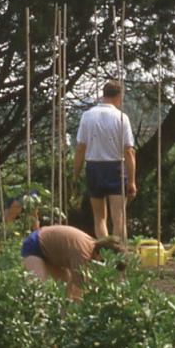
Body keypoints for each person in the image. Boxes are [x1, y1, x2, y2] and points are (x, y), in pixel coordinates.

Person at [74, 80, 137, 240]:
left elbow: (80, 148)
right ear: (119, 96)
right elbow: (128, 151)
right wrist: (132, 181)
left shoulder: (87, 116)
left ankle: (105, 254)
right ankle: (119, 255)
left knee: (99, 218)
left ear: (104, 94)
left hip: (93, 168)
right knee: (119, 218)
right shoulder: (122, 117)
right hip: (115, 168)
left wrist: (75, 174)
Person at [20, 224, 127, 301]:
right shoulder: (82, 256)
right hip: (35, 244)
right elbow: (78, 293)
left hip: (52, 252)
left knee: (62, 290)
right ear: (100, 255)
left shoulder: (90, 247)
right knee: (38, 291)